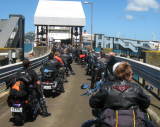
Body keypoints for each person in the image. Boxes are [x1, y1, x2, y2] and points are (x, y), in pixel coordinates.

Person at [89, 62, 152, 127]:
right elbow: (146, 104)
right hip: (133, 123)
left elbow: (93, 103)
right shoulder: (136, 88)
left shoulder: (106, 87)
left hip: (109, 123)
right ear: (128, 74)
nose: (132, 76)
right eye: (132, 74)